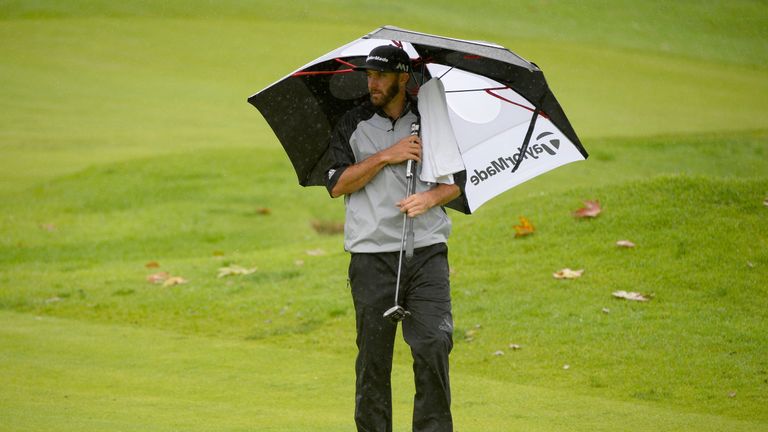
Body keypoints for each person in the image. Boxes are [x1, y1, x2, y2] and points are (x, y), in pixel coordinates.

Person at [326, 44, 461, 432]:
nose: (373, 83)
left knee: (433, 346)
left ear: (404, 77)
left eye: (381, 76)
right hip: (371, 256)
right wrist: (389, 155)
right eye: (369, 75)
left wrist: (428, 197)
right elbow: (336, 185)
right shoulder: (353, 123)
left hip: (426, 253)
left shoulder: (431, 120)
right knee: (373, 359)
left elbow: (456, 184)